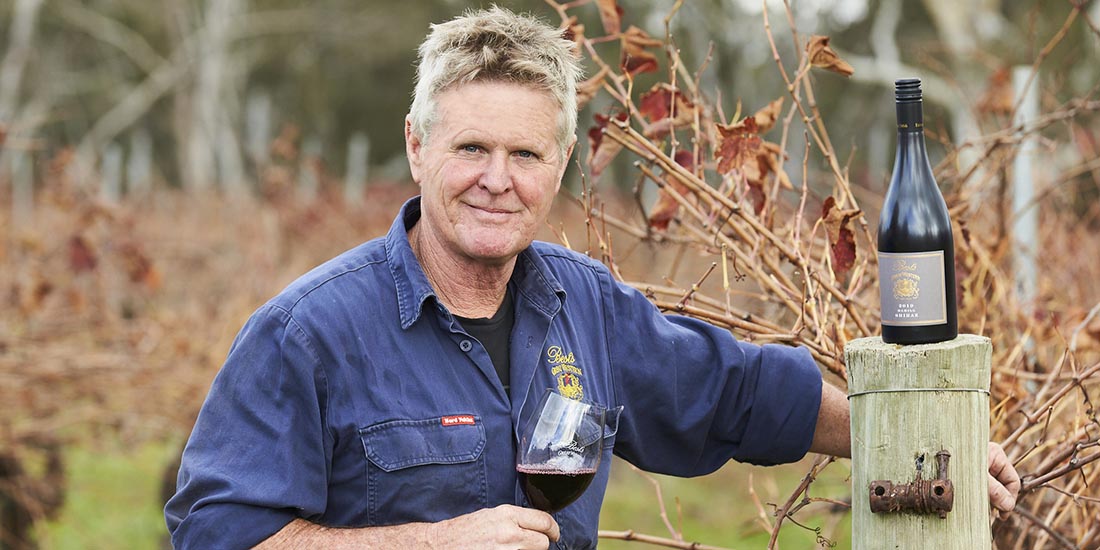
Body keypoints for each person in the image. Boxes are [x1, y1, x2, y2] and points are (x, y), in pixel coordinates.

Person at [165, 7, 1020, 549]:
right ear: (417, 146)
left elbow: (740, 395)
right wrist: (426, 545)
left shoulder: (587, 307)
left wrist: (904, 433)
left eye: (525, 154)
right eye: (470, 147)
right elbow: (214, 533)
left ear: (562, 162)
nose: (496, 179)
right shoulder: (308, 333)